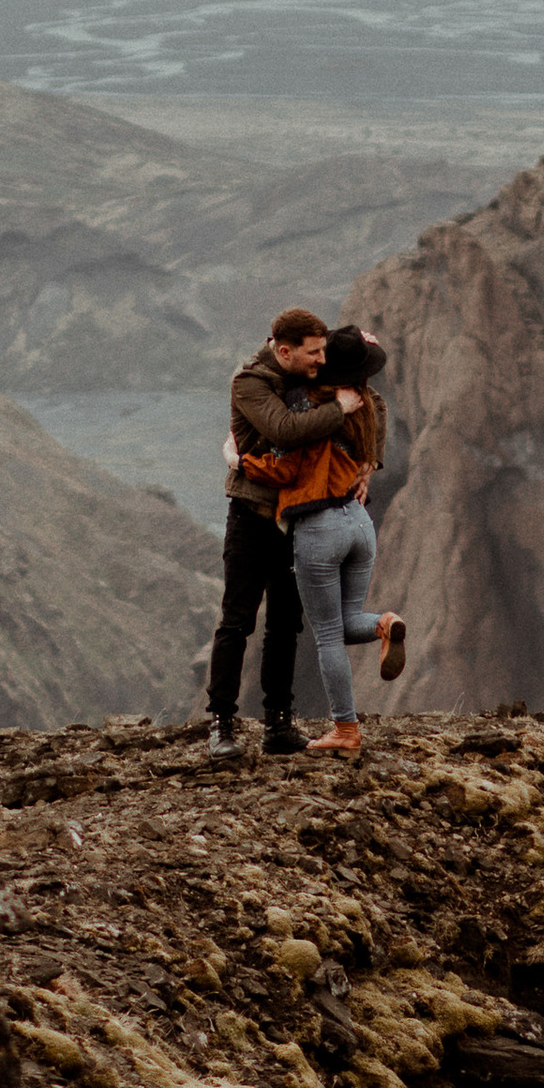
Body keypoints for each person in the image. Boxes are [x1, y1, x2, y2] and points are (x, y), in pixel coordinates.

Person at [204, 308, 381, 759]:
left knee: (286, 624)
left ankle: (277, 725)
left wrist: (367, 464)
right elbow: (286, 430)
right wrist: (339, 409)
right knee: (238, 620)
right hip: (251, 516)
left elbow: (371, 401)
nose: (322, 361)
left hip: (298, 520)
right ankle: (221, 724)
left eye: (324, 351)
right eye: (314, 353)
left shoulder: (305, 378)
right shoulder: (250, 383)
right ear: (285, 351)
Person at [249, 320, 404, 758]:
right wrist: (369, 467)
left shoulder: (307, 404)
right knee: (347, 619)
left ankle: (345, 729)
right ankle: (384, 623)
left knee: (328, 637)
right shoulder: (369, 408)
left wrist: (239, 459)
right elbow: (370, 448)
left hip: (319, 526)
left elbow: (282, 466)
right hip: (359, 522)